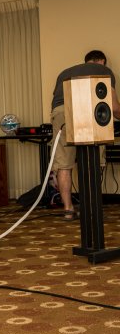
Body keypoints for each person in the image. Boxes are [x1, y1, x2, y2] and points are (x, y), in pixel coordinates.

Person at [51, 50, 120, 220]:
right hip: (87, 111)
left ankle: (68, 210)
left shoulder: (64, 73)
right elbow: (114, 108)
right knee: (92, 161)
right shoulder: (104, 70)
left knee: (64, 164)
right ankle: (91, 209)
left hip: (60, 113)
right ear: (102, 61)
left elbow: (57, 102)